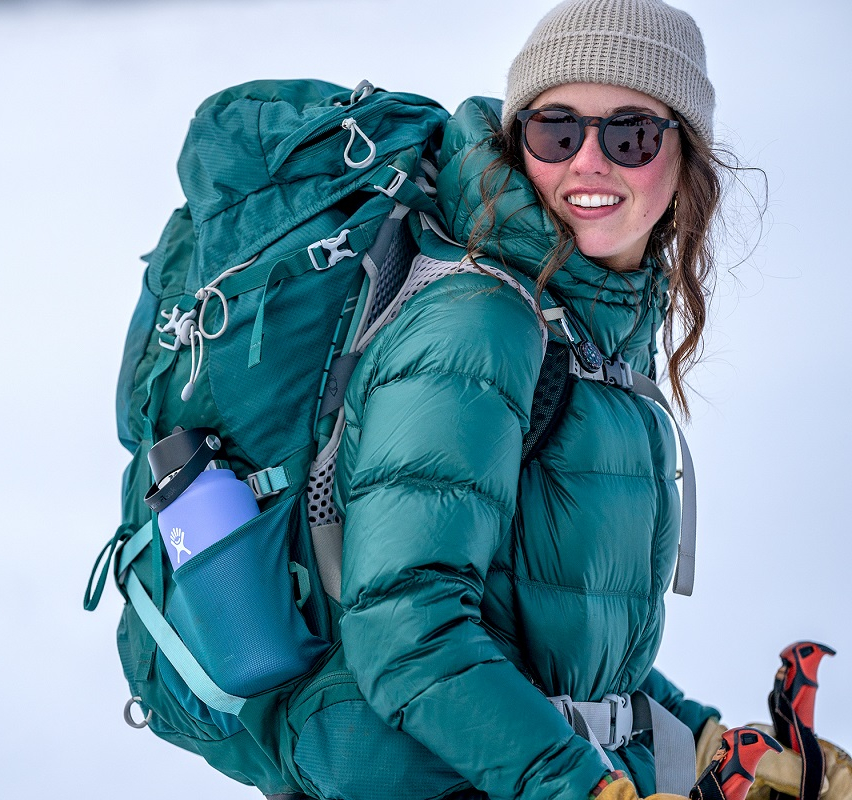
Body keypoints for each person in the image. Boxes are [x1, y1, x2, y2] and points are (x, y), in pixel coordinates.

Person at [332, 1, 807, 799]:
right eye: (557, 130)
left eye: (629, 134)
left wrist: (710, 752)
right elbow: (403, 627)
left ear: (682, 155)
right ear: (521, 143)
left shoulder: (595, 329)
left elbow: (557, 644)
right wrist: (578, 787)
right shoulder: (481, 325)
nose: (588, 162)